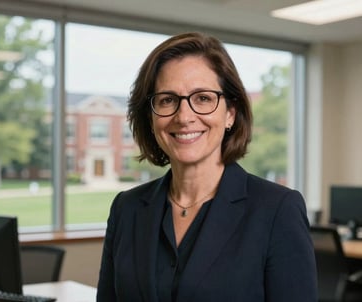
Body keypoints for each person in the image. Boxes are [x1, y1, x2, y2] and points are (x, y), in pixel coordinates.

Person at [96, 32, 317, 302]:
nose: (184, 116)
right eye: (167, 100)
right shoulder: (126, 209)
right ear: (151, 117)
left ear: (230, 114)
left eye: (202, 98)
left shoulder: (277, 210)